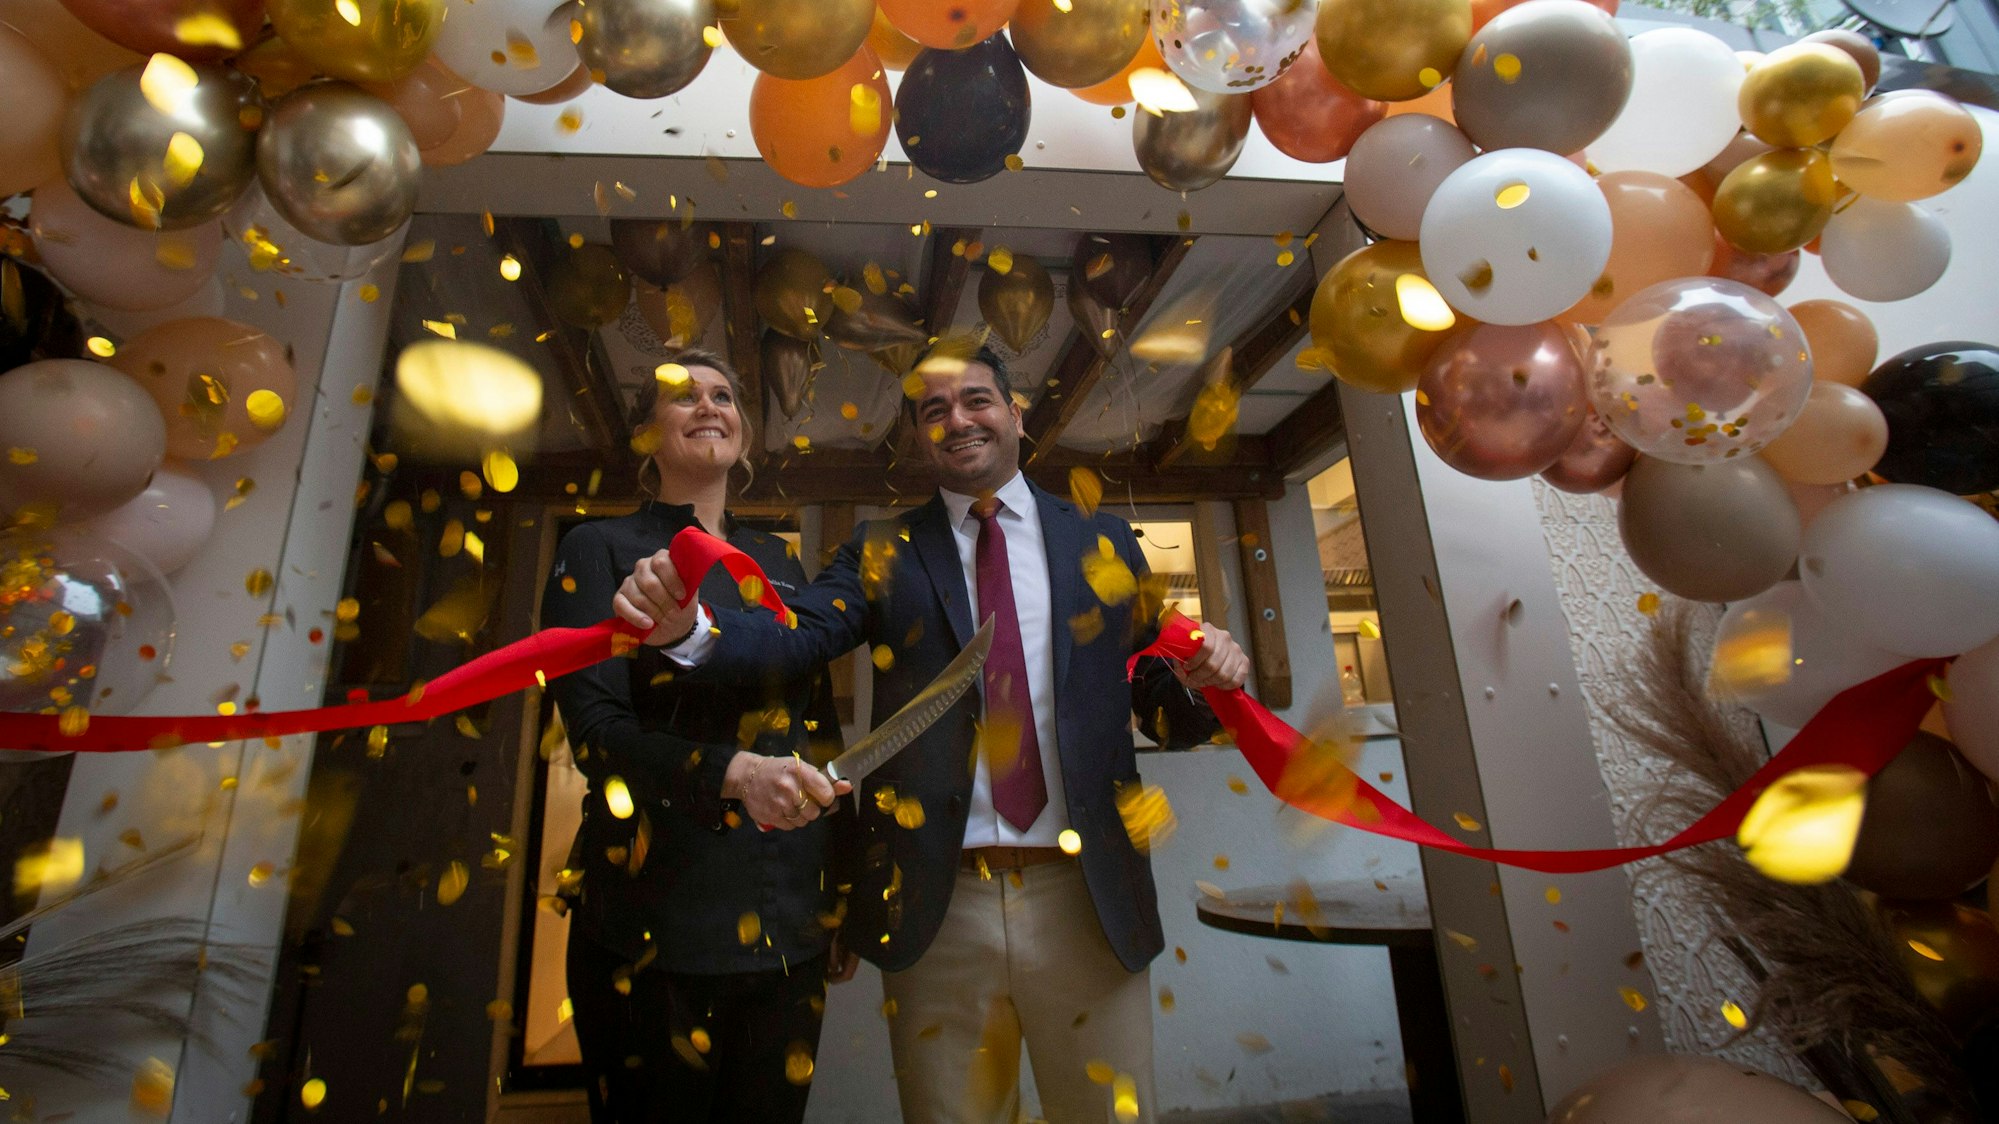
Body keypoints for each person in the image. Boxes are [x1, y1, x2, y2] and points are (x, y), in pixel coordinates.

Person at [614, 345, 1251, 1124]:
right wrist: (693, 633)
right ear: (918, 436)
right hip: (935, 905)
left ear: (1015, 415)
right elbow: (796, 637)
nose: (957, 421)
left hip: (1087, 902)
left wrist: (1207, 679)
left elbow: (1159, 707)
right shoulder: (882, 550)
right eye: (932, 411)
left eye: (976, 401)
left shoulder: (1104, 541)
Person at [538, 348, 855, 1123]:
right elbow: (596, 735)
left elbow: (816, 725)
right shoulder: (598, 549)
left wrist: (837, 893)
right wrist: (733, 775)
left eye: (723, 395)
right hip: (654, 924)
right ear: (647, 434)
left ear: (744, 436)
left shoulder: (779, 562)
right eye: (682, 398)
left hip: (790, 926)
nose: (708, 406)